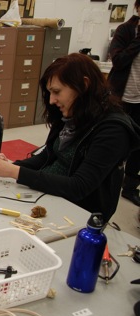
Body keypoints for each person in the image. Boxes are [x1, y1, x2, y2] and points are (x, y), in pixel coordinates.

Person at [0, 53, 140, 223]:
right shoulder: (72, 114)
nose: (51, 100)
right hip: (48, 193)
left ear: (84, 85)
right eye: (50, 92)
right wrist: (12, 165)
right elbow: (48, 155)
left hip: (77, 211)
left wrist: (16, 172)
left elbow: (79, 187)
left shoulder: (113, 131)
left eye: (57, 92)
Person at [107, 0, 140, 206]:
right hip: (122, 96)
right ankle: (108, 182)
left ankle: (129, 187)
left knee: (138, 145)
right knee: (114, 144)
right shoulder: (126, 30)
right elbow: (118, 61)